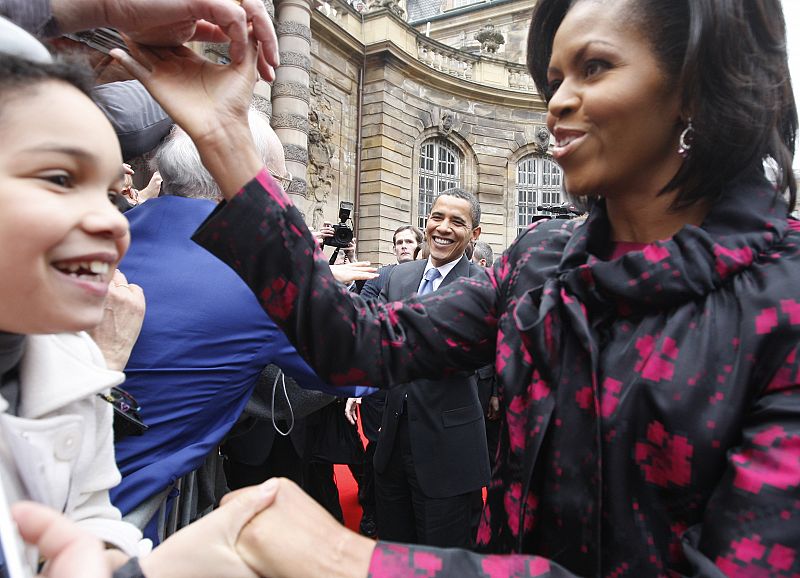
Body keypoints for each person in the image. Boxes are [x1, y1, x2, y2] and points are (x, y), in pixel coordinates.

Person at [114, 0, 799, 574]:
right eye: (554, 77)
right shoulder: (542, 259)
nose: (558, 102)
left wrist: (347, 558)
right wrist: (226, 139)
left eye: (594, 68)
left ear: (697, 84)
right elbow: (358, 343)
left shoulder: (785, 297)